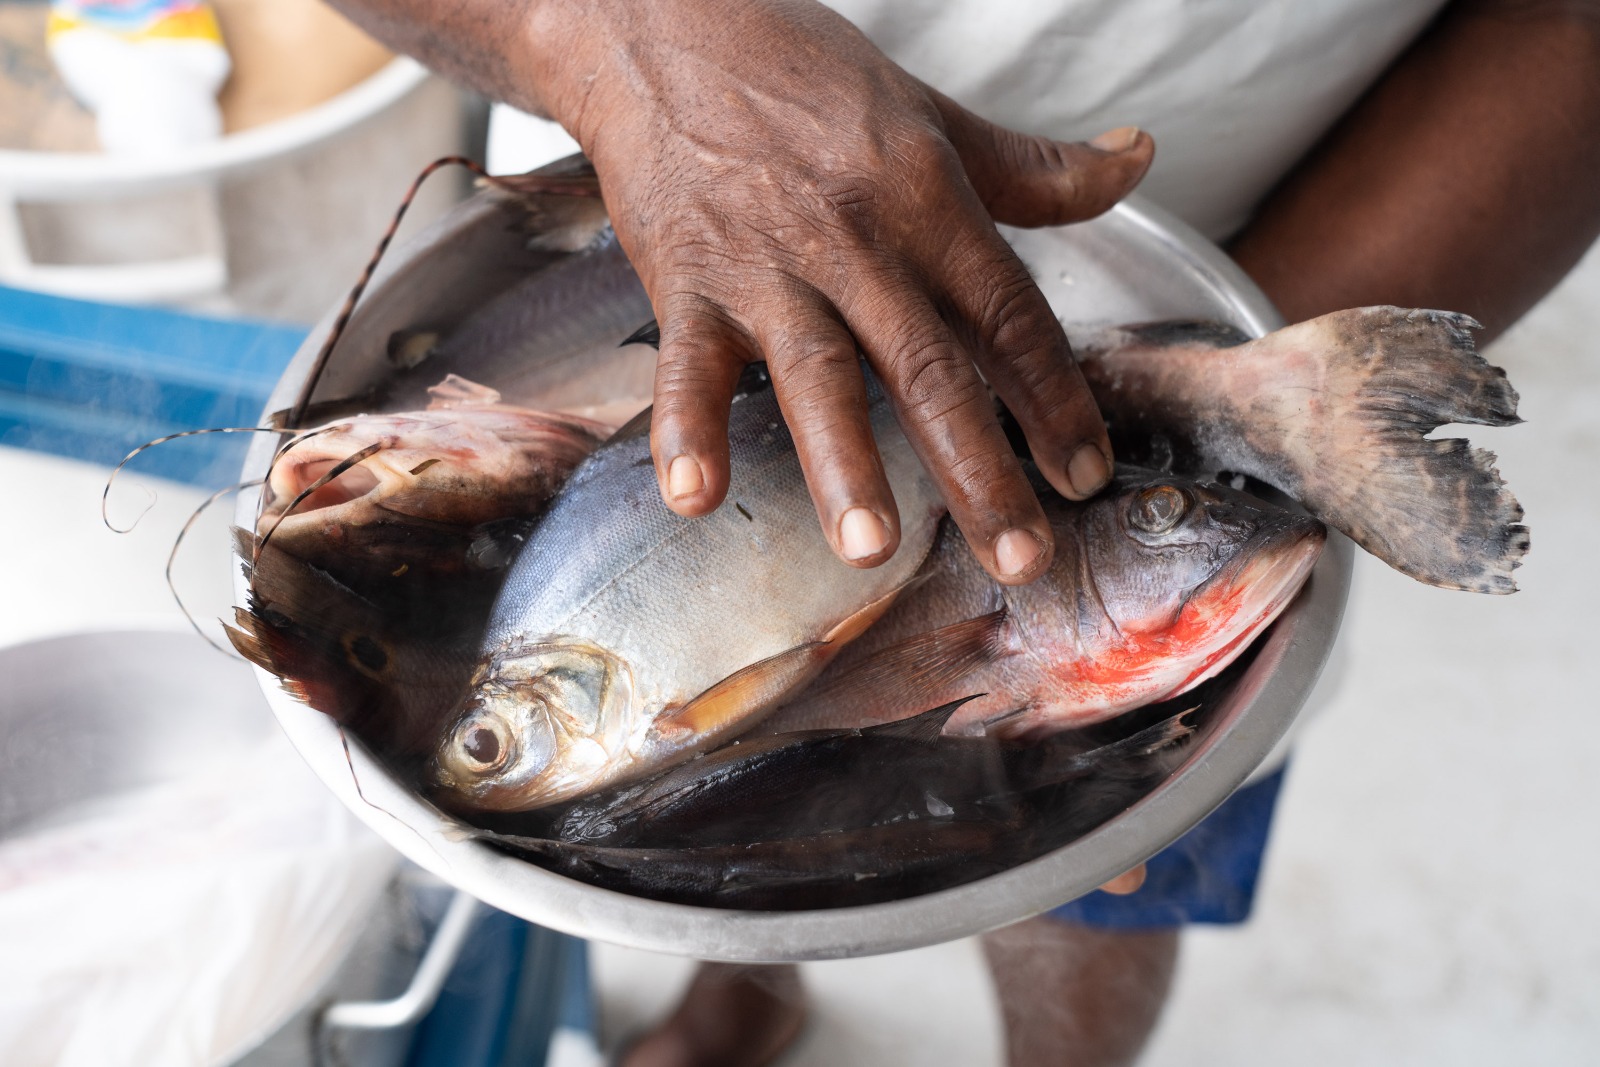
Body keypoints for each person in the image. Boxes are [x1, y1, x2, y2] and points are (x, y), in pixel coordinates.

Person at [328, 1, 1600, 1064]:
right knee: (706, 821)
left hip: (1220, 225)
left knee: (1099, 880)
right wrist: (603, 40)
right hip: (634, 225)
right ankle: (736, 1006)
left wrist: (1228, 381)